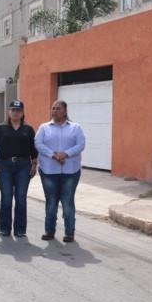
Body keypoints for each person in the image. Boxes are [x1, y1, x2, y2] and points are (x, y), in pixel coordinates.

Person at [35, 99, 86, 243]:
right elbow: (38, 143)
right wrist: (54, 155)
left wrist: (66, 154)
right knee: (51, 201)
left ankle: (69, 233)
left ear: (65, 111)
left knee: (67, 201)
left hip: (71, 171)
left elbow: (81, 144)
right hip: (48, 171)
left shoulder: (75, 128)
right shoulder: (44, 128)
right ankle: (49, 231)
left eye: (58, 108)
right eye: (53, 108)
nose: (54, 111)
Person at [0, 100, 38, 238]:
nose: (15, 113)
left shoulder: (28, 129)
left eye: (18, 110)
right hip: (5, 165)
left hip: (23, 166)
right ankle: (4, 228)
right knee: (6, 198)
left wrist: (34, 165)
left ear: (22, 113)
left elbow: (33, 149)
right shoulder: (0, 128)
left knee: (21, 198)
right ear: (9, 112)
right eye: (13, 110)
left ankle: (20, 229)